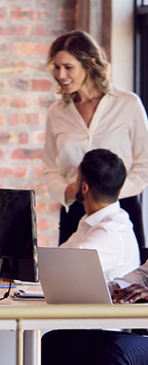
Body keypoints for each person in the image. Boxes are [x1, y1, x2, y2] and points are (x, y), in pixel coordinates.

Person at [0, 149, 139, 282]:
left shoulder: (109, 233)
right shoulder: (92, 221)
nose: (73, 183)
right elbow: (57, 259)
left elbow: (58, 272)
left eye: (76, 178)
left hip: (98, 330)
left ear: (84, 188)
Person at [42, 30, 148, 248]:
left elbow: (145, 162)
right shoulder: (56, 112)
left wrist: (112, 192)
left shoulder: (128, 104)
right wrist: (69, 190)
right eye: (56, 67)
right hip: (76, 212)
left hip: (122, 209)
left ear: (89, 63)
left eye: (68, 67)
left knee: (130, 281)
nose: (61, 75)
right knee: (67, 279)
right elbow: (50, 169)